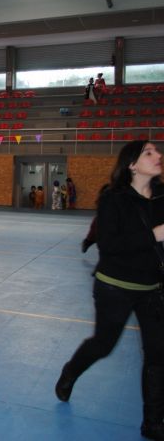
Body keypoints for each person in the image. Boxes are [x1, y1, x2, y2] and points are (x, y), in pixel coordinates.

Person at [55, 140, 164, 440]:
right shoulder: (113, 199)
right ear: (131, 164)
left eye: (157, 151)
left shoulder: (162, 198)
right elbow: (111, 246)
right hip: (114, 287)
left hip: (152, 289)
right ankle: (70, 371)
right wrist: (154, 234)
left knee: (157, 354)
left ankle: (154, 423)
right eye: (149, 152)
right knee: (104, 344)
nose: (158, 156)